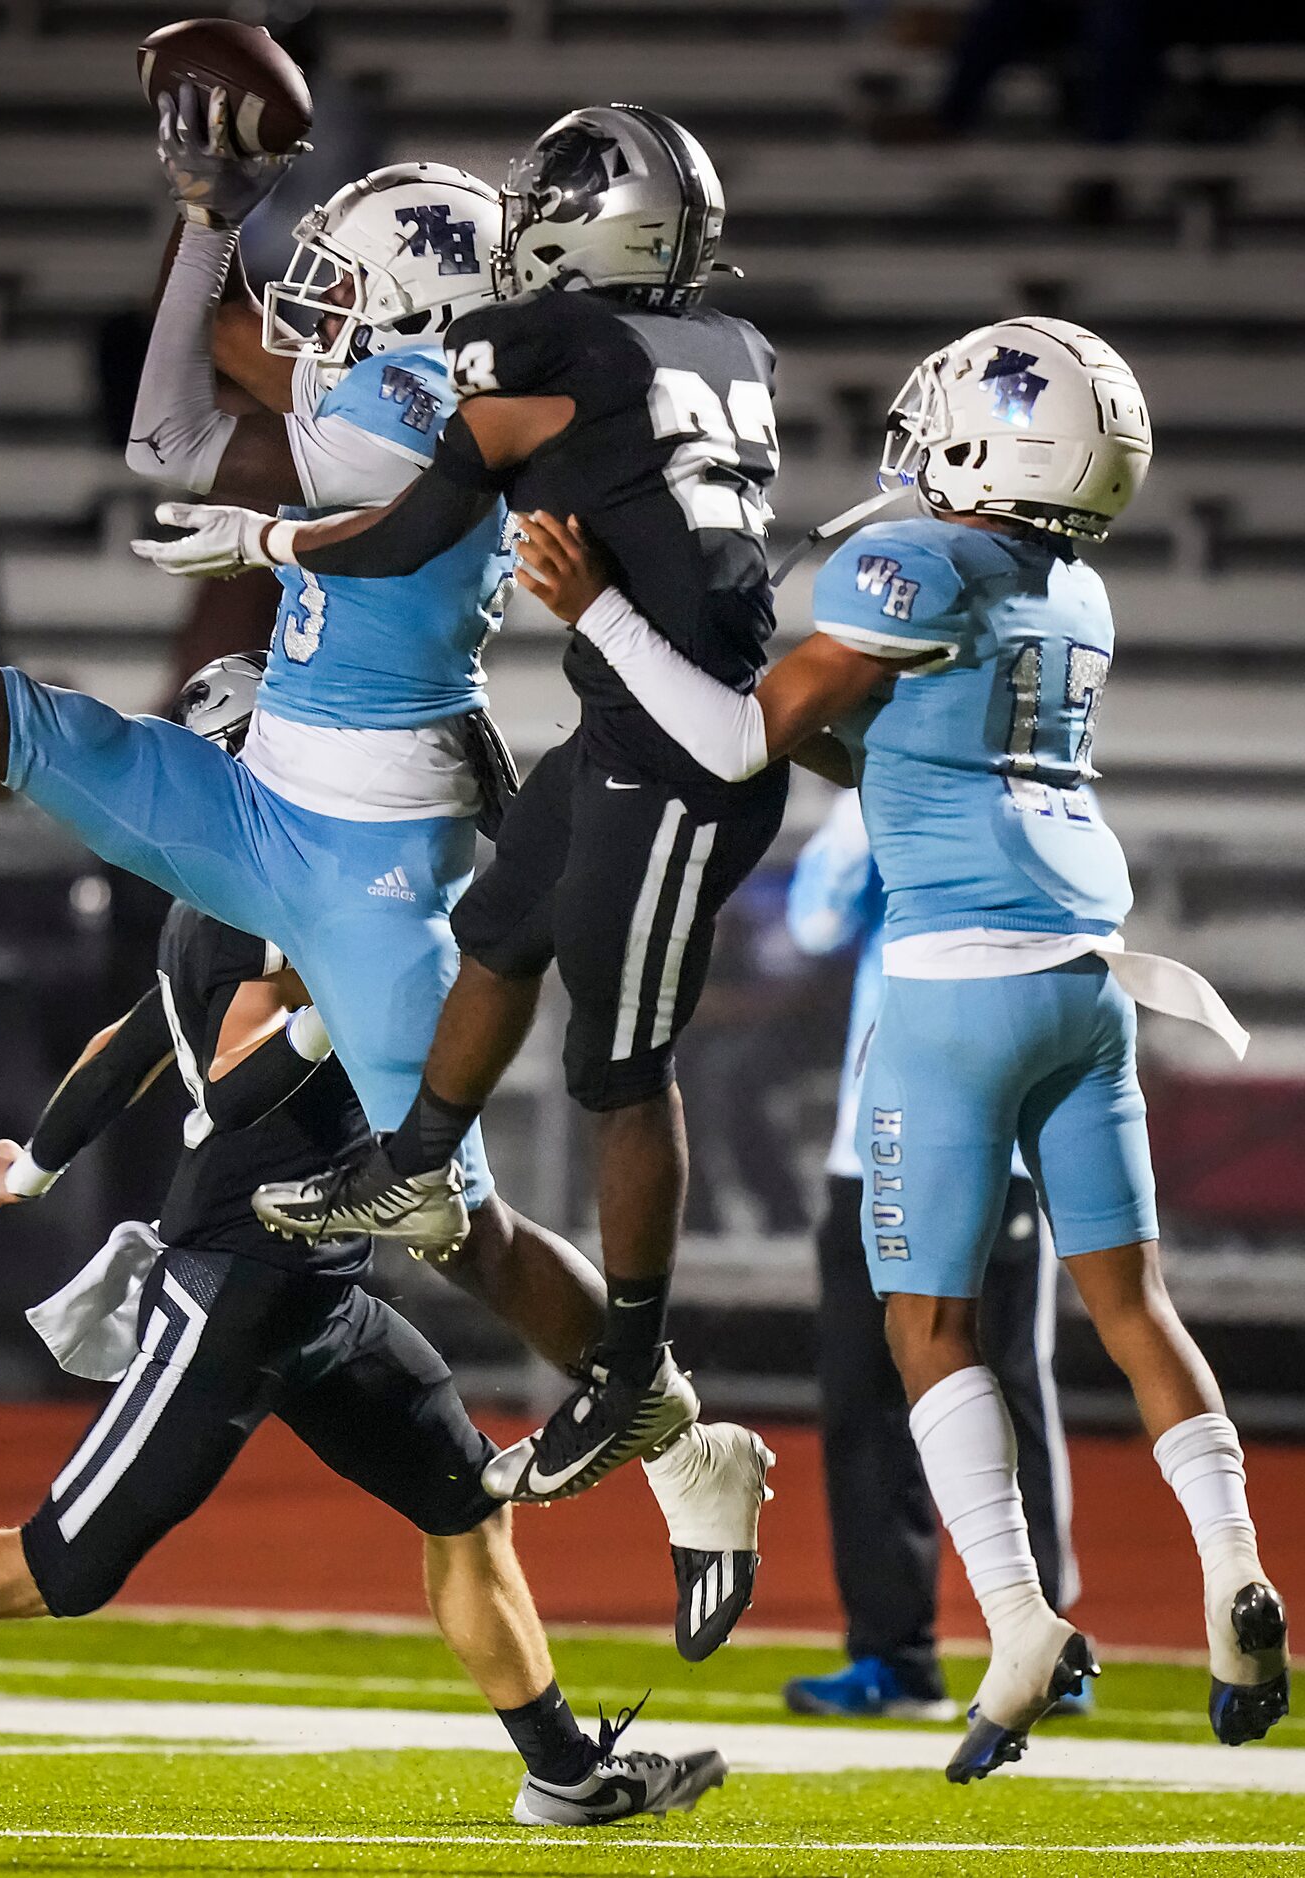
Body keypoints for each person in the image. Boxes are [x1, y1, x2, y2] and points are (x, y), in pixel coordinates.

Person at [0, 100, 772, 1661]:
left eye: (337, 290)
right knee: (0, 715)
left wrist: (231, 311)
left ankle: (683, 1440)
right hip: (267, 796)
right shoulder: (415, 385)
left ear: (410, 317)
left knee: (453, 1222)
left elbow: (184, 437)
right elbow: (185, 432)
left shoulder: (419, 400)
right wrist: (210, 219)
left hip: (369, 863)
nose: (307, 314)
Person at [0, 661, 728, 1831]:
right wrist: (334, 1006)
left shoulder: (244, 893)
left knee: (464, 1503)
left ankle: (561, 1770)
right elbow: (238, 1075)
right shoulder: (259, 910)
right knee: (61, 1567)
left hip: (317, 1289)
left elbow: (129, 1044)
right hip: (235, 1281)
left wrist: (41, 1162)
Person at [488, 315, 1291, 1779]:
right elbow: (906, 740)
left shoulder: (908, 564)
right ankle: (1235, 1575)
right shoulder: (1076, 591)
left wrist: (602, 615)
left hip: (952, 988)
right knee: (1135, 1307)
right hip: (1086, 983)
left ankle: (1017, 1622)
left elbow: (737, 745)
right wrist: (799, 710)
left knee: (929, 1331)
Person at [138, 105, 794, 1517]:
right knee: (495, 945)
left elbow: (414, 511)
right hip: (595, 725)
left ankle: (638, 1389)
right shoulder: (720, 349)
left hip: (629, 746)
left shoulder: (519, 360)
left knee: (616, 1078)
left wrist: (270, 535)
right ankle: (412, 1164)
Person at [781, 791, 1079, 1722]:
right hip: (868, 1153)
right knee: (866, 1405)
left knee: (1010, 1393)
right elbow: (814, 921)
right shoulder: (878, 798)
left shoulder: (1038, 791)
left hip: (1001, 1146)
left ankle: (1046, 1646)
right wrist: (873, 806)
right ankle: (893, 1656)